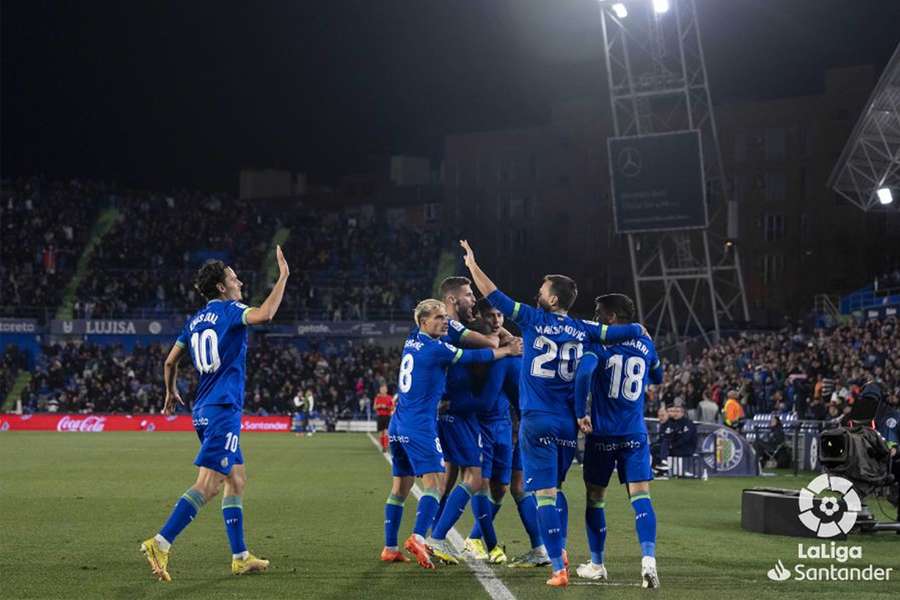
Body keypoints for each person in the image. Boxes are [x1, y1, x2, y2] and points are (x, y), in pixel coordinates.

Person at [460, 240, 644, 588]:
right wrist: (637, 329)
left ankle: (557, 565)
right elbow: (618, 332)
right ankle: (560, 553)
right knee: (556, 490)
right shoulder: (585, 328)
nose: (537, 293)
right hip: (566, 423)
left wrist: (472, 265)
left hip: (536, 420)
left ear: (553, 299)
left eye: (542, 290)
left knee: (542, 494)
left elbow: (494, 294)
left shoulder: (532, 318)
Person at [140, 246, 289, 582]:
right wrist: (284, 277)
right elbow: (265, 314)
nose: (239, 283)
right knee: (208, 484)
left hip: (203, 409)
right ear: (222, 287)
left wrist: (169, 391)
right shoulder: (231, 311)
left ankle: (240, 557)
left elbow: (169, 361)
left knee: (236, 480)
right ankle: (161, 542)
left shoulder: (193, 322)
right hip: (222, 410)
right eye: (234, 278)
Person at [380, 299, 522, 569]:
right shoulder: (436, 349)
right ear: (423, 322)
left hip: (398, 424)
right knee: (434, 485)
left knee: (399, 489)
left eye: (445, 316)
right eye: (438, 318)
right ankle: (421, 538)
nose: (445, 321)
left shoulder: (413, 340)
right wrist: (506, 350)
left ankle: (390, 547)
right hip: (419, 426)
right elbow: (472, 356)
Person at [573, 293, 663, 588]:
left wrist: (580, 411)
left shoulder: (598, 344)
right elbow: (659, 375)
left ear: (612, 318)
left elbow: (583, 375)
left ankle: (597, 564)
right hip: (635, 434)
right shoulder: (646, 344)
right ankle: (648, 561)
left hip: (602, 435)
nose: (596, 318)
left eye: (599, 313)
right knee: (641, 498)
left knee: (595, 499)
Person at [428, 276, 506, 564]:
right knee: (473, 479)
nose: (473, 299)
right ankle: (436, 539)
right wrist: (506, 343)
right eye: (469, 294)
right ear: (452, 299)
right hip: (457, 413)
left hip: (451, 411)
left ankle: (426, 537)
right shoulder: (451, 325)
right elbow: (490, 342)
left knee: (446, 481)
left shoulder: (439, 326)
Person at [462, 299, 520, 563]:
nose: (496, 320)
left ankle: (473, 537)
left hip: (504, 425)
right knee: (478, 483)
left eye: (500, 315)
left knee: (501, 489)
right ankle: (486, 543)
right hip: (479, 424)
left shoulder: (509, 345)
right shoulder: (479, 345)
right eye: (490, 316)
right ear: (480, 319)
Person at [659, 399, 698, 477]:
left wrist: (672, 445)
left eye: (677, 412)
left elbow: (685, 439)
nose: (675, 414)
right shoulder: (672, 422)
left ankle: (663, 468)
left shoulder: (688, 423)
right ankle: (661, 467)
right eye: (674, 412)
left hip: (687, 448)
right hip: (675, 447)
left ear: (683, 413)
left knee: (661, 448)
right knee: (657, 448)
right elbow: (668, 435)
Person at [373, 384, 395, 453]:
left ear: (386, 390)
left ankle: (385, 447)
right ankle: (383, 446)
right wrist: (379, 406)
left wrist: (386, 407)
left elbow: (393, 408)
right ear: (380, 390)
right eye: (382, 389)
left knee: (386, 432)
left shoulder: (390, 398)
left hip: (387, 416)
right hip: (380, 416)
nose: (383, 390)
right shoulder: (377, 398)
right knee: (381, 433)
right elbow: (374, 407)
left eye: (384, 389)